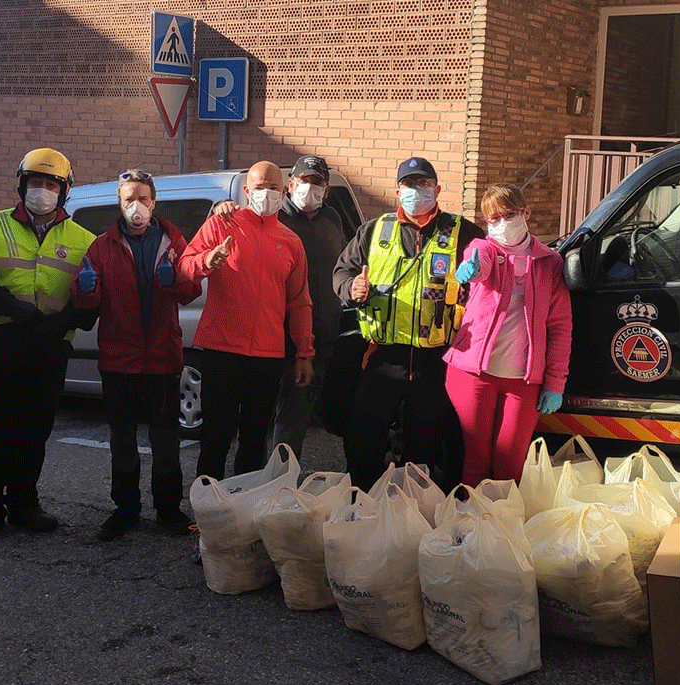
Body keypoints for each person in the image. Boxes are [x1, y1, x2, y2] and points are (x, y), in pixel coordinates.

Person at [0, 147, 97, 549]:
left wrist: (61, 323)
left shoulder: (84, 240)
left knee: (35, 431)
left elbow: (90, 302)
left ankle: (23, 503)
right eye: (36, 182)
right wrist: (17, 312)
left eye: (52, 184)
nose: (43, 190)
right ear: (21, 185)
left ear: (65, 191)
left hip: (47, 348)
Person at [332, 156, 483, 492]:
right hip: (383, 356)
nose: (417, 191)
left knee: (427, 443)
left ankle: (416, 510)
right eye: (410, 185)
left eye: (424, 184)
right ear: (398, 191)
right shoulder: (373, 230)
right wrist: (350, 287)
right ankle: (365, 505)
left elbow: (491, 270)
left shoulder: (463, 232)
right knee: (365, 439)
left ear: (437, 189)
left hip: (436, 359)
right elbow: (342, 272)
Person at [70, 169, 201, 540]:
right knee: (123, 439)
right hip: (119, 361)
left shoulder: (173, 241)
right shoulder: (101, 246)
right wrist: (85, 289)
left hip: (161, 359)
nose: (137, 207)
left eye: (143, 199)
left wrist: (174, 281)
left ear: (154, 202)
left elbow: (190, 291)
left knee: (165, 441)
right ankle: (125, 509)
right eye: (129, 200)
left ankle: (168, 510)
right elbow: (86, 305)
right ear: (119, 203)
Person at [177, 160, 315, 480]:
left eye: (272, 188)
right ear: (245, 191)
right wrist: (206, 261)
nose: (266, 194)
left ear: (284, 191)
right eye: (259, 187)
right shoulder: (222, 224)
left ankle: (245, 507)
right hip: (220, 349)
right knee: (216, 436)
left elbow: (299, 303)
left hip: (267, 355)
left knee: (254, 439)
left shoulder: (291, 242)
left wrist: (305, 352)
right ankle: (208, 508)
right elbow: (184, 268)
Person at [211, 156, 347, 461]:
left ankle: (280, 486)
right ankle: (269, 486)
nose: (309, 188)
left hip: (319, 337)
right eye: (304, 181)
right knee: (261, 425)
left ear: (326, 189)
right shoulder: (273, 218)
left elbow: (340, 270)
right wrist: (221, 205)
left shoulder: (333, 219)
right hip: (273, 341)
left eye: (317, 183)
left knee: (303, 420)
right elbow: (240, 222)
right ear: (290, 185)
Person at [443, 182, 572, 486]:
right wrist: (471, 270)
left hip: (522, 381)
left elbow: (560, 327)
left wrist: (555, 383)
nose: (501, 223)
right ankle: (471, 528)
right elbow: (480, 261)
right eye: (493, 218)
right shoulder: (483, 248)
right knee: (474, 462)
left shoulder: (550, 263)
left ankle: (502, 526)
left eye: (509, 214)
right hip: (473, 375)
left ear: (526, 212)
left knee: (509, 464)